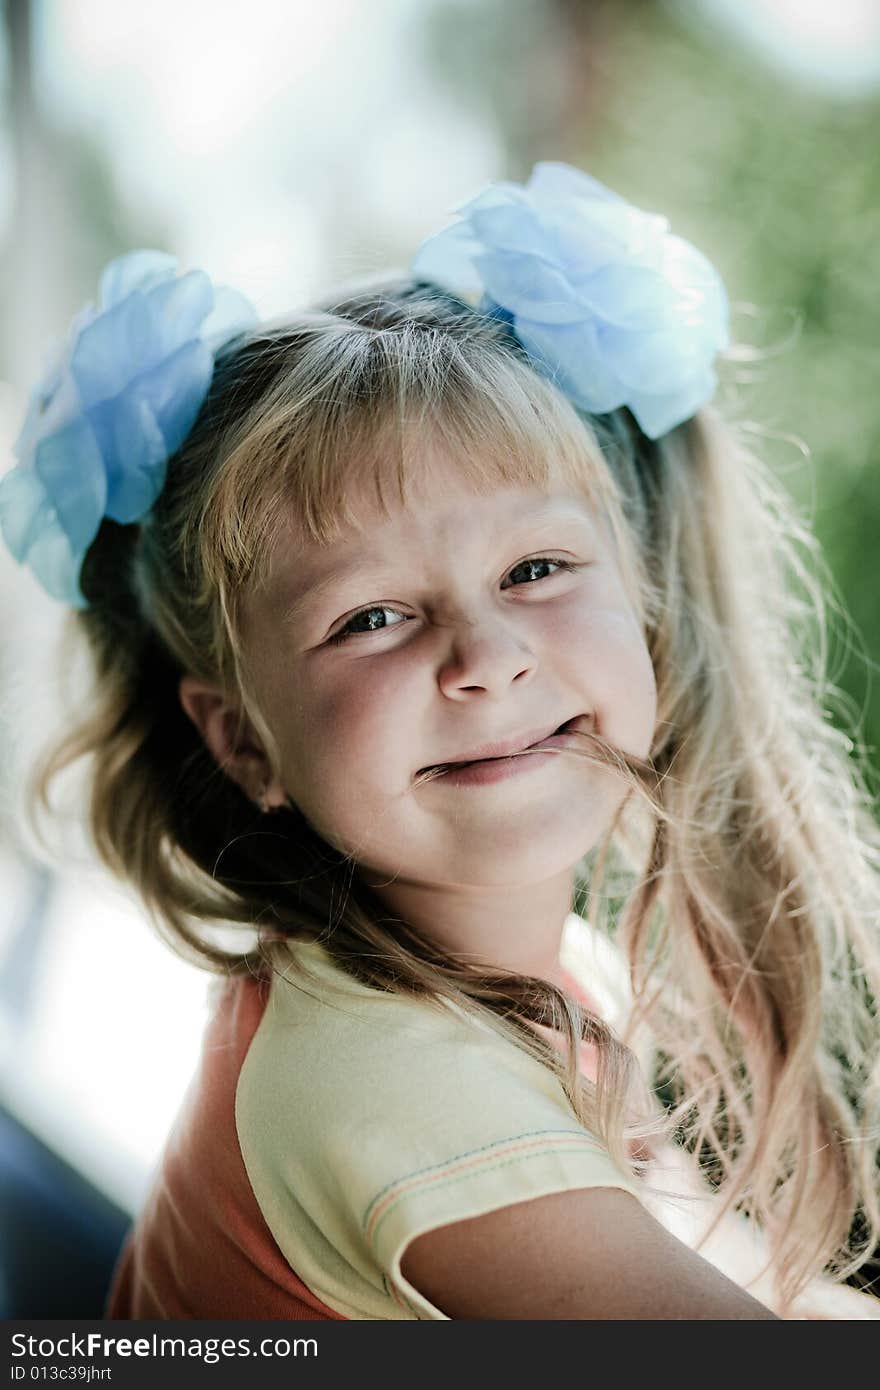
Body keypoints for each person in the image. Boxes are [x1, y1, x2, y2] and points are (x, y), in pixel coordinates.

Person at [2, 162, 878, 1321]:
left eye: (536, 569)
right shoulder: (392, 1084)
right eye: (371, 618)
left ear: (648, 601)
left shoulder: (541, 978)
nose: (487, 655)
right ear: (243, 741)